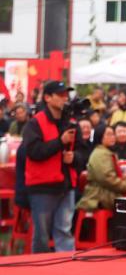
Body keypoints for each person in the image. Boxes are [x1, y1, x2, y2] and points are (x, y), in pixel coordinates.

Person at [22, 80, 79, 253]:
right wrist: (59, 142)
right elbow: (34, 152)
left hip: (66, 184)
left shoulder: (69, 121)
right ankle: (39, 274)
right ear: (47, 97)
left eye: (66, 94)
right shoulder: (34, 123)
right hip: (42, 187)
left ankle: (67, 272)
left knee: (64, 231)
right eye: (60, 95)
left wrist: (74, 157)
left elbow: (82, 151)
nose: (65, 98)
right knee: (42, 236)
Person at [77, 123, 126, 211]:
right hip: (99, 195)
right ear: (100, 136)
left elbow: (120, 175)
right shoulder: (100, 154)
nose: (113, 137)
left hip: (107, 191)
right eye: (109, 134)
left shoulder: (107, 152)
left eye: (113, 134)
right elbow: (108, 179)